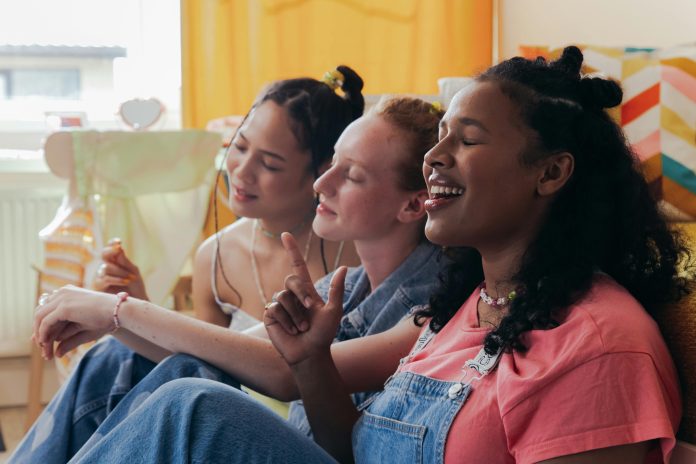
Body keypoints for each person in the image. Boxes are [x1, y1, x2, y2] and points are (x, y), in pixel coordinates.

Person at [50, 46, 692, 464]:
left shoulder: (597, 347)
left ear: (550, 174)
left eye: (465, 141)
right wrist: (309, 363)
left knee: (190, 409)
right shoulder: (461, 310)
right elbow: (348, 447)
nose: (435, 161)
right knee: (169, 389)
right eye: (438, 139)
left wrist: (118, 309)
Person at [14, 96, 449, 463]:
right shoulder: (349, 284)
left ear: (413, 206)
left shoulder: (432, 304)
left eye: (351, 175)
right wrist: (114, 321)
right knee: (143, 360)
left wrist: (120, 310)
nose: (323, 183)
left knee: (193, 402)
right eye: (333, 163)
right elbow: (220, 349)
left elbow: (286, 373)